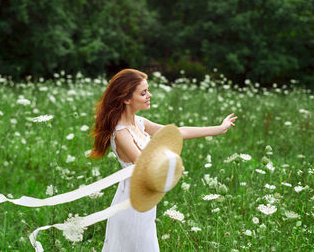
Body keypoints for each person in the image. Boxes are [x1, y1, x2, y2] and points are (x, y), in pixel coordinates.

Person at [90, 69, 237, 251]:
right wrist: (173, 166)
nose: (149, 95)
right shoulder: (121, 133)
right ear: (126, 99)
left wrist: (218, 129)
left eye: (148, 90)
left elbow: (176, 132)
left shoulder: (139, 122)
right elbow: (145, 164)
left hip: (145, 203)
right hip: (131, 206)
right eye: (143, 93)